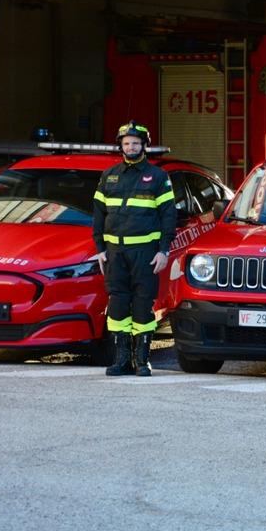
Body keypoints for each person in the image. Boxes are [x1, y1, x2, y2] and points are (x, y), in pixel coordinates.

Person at [92, 121, 175, 377]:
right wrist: (100, 248)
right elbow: (98, 214)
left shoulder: (158, 177)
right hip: (115, 253)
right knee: (117, 306)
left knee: (142, 305)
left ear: (144, 146)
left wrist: (164, 250)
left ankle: (142, 361)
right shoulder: (109, 176)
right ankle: (121, 360)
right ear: (121, 146)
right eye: (126, 143)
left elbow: (168, 216)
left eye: (135, 143)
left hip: (145, 253)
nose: (131, 147)